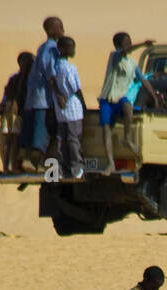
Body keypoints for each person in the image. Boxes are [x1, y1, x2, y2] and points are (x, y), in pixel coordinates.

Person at [98, 33, 157, 173]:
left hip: (120, 98)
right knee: (106, 130)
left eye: (129, 42)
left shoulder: (132, 64)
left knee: (128, 106)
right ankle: (110, 163)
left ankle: (127, 138)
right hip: (106, 98)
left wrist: (154, 96)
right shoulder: (115, 56)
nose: (129, 45)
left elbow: (144, 80)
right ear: (118, 45)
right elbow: (125, 51)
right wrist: (142, 44)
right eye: (126, 43)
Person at [20, 16, 66, 171]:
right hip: (43, 100)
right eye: (60, 27)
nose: (63, 31)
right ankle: (34, 163)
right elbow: (50, 73)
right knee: (42, 132)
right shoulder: (51, 48)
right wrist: (59, 95)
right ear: (52, 30)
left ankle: (35, 163)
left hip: (35, 98)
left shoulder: (43, 48)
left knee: (34, 132)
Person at [53, 36, 86, 181]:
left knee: (61, 139)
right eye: (71, 47)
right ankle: (76, 166)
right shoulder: (70, 68)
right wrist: (84, 105)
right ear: (62, 49)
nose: (73, 50)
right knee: (73, 138)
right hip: (73, 109)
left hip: (60, 111)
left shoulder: (54, 67)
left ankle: (62, 168)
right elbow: (76, 89)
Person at [0, 51, 34, 173]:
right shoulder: (25, 79)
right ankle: (13, 166)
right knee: (14, 142)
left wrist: (2, 108)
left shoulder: (13, 78)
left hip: (7, 111)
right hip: (16, 112)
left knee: (8, 141)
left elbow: (5, 97)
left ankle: (6, 167)